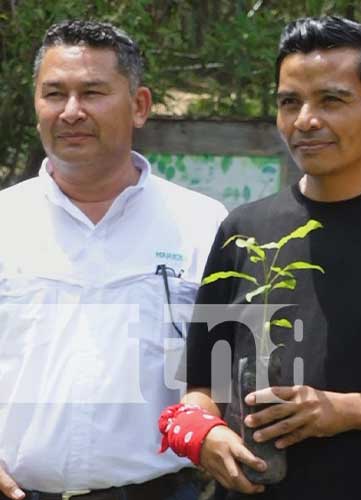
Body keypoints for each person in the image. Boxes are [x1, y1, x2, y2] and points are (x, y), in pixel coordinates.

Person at [166, 15, 361, 500]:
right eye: (290, 102)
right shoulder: (244, 231)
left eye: (332, 100)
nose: (305, 120)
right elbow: (203, 385)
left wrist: (342, 410)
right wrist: (207, 436)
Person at [0, 20, 227, 500]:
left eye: (93, 92)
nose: (71, 111)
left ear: (139, 105)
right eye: (54, 94)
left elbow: (229, 367)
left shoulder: (203, 225)